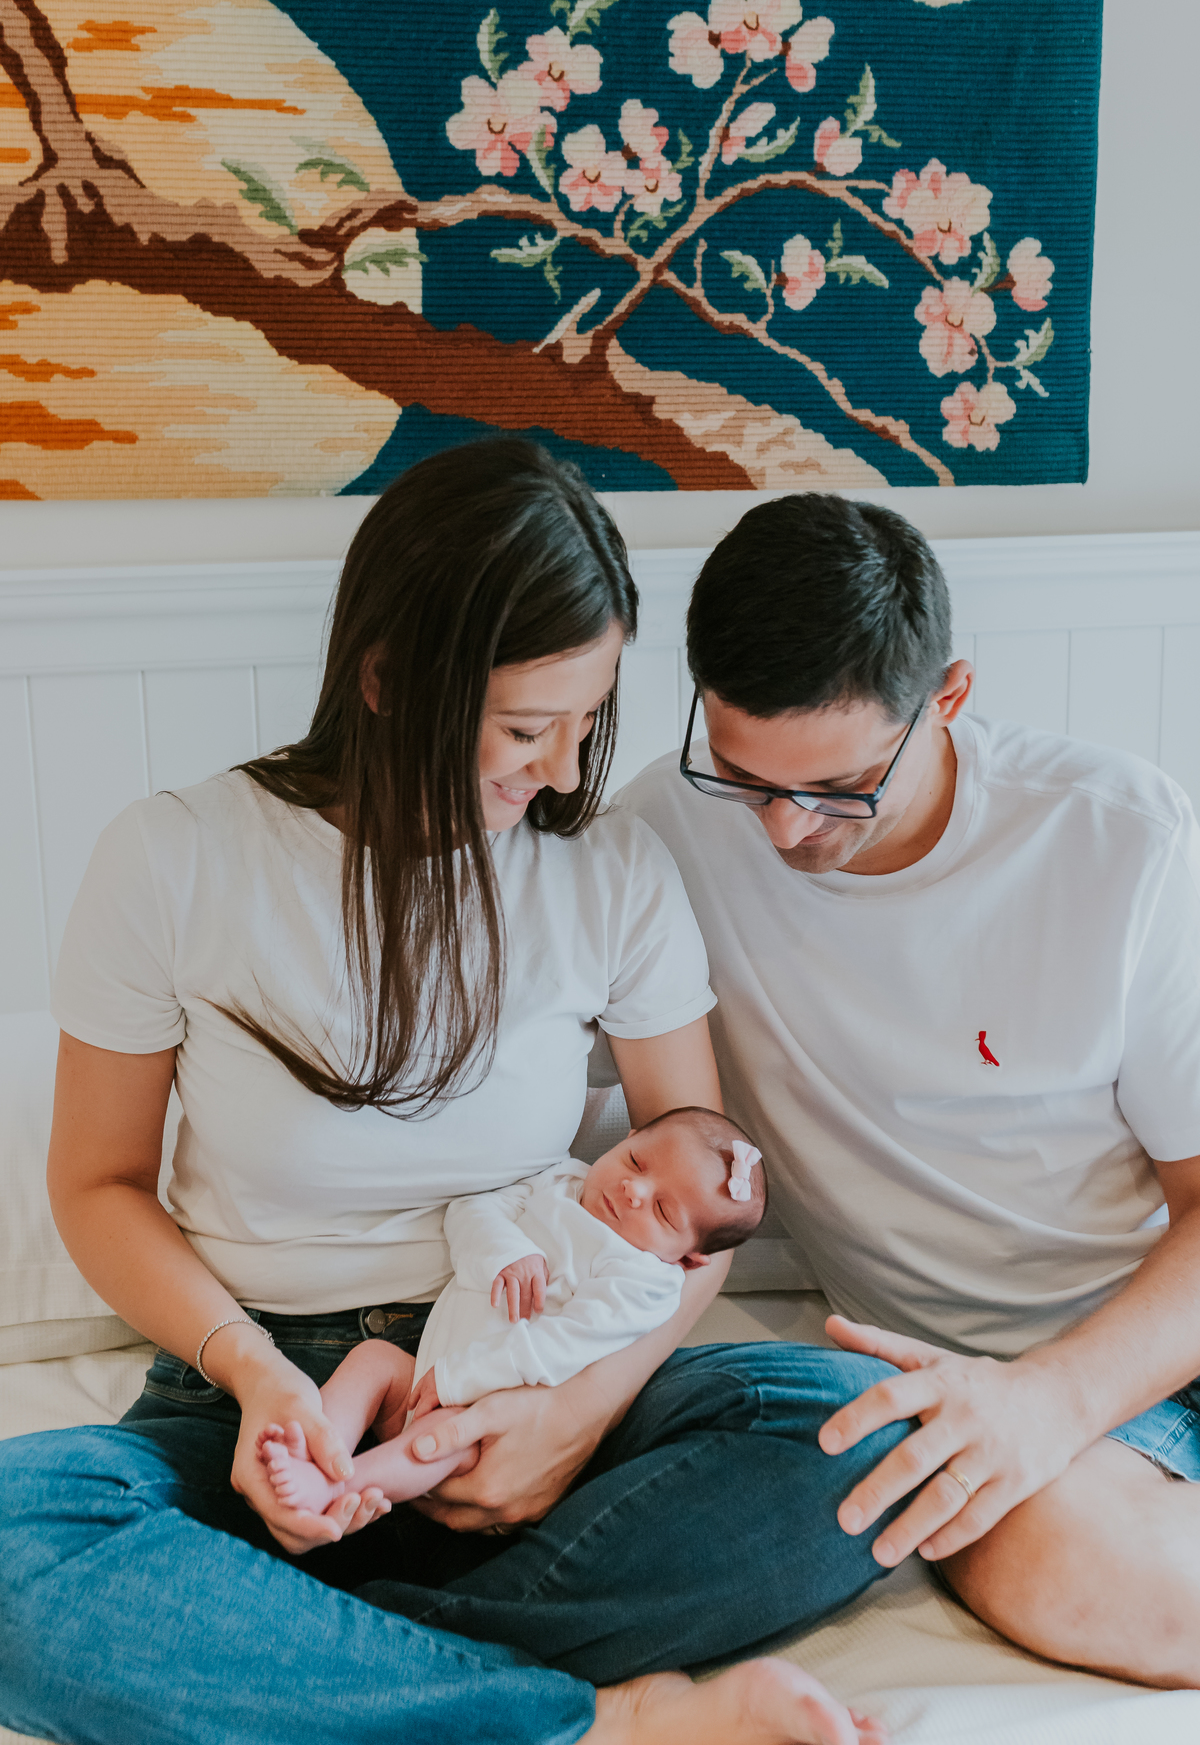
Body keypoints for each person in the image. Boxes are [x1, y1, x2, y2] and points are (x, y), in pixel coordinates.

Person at [0, 443, 907, 1745]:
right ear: (388, 679)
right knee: (16, 1537)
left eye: (589, 718)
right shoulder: (176, 859)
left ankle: (290, 1650)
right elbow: (95, 1184)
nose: (562, 766)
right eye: (528, 728)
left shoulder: (614, 875)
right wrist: (259, 1379)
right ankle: (585, 1717)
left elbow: (695, 1208)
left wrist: (568, 1415)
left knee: (852, 1434)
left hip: (539, 1360)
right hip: (262, 1384)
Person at [618, 491, 1200, 1691]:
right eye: (743, 774)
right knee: (1037, 1554)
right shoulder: (660, 841)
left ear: (948, 696)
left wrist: (1049, 1400)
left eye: (838, 785)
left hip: (1145, 1328)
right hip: (993, 1394)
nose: (782, 828)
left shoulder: (1117, 841)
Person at [259, 1109, 768, 1517]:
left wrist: (461, 1378)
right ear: (628, 1136)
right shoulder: (562, 1179)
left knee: (442, 1437)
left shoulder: (645, 1280)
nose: (634, 1191)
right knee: (372, 1360)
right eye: (636, 1162)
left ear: (689, 1258)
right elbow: (472, 1211)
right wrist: (504, 1249)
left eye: (662, 1210)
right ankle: (316, 1449)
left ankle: (336, 1490)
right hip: (421, 1378)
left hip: (490, 1420)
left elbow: (557, 1346)